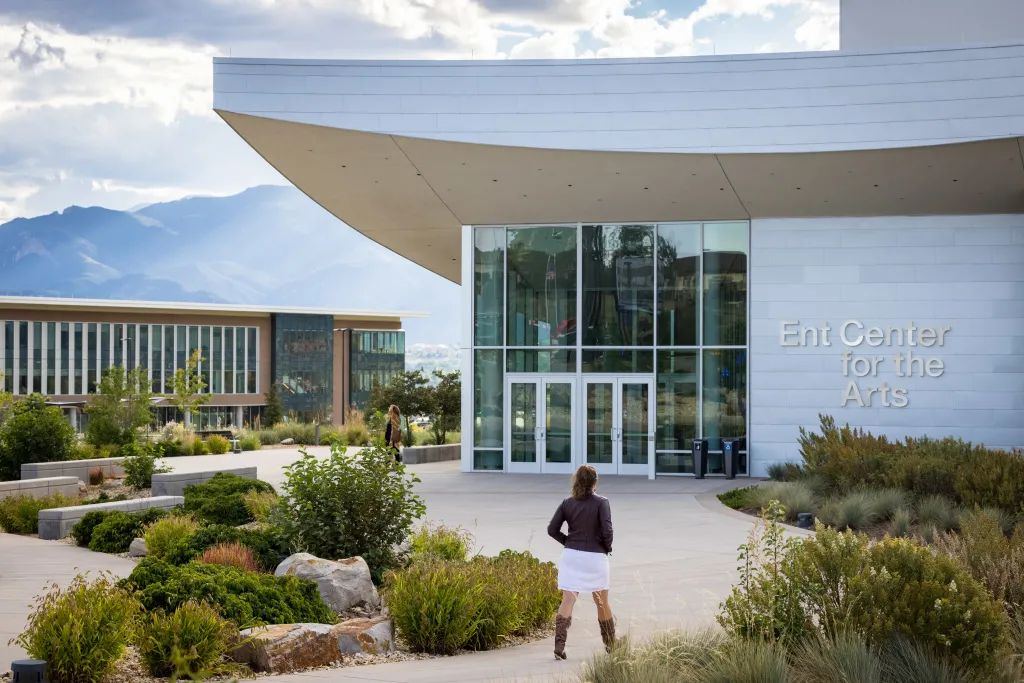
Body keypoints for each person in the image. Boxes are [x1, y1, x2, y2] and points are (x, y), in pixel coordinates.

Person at [547, 464, 615, 660]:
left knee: (568, 600)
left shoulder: (567, 503)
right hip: (595, 557)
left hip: (571, 557)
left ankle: (559, 646)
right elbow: (607, 531)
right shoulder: (602, 502)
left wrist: (568, 541)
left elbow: (552, 529)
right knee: (602, 602)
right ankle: (611, 645)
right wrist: (606, 547)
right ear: (595, 482)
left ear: (576, 480)